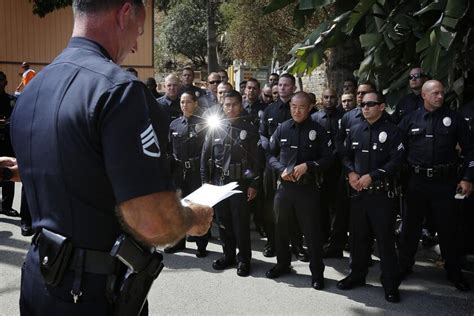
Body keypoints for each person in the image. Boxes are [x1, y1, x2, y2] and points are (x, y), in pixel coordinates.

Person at [10, 1, 213, 315]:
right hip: (89, 292)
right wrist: (193, 218)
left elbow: (74, 162)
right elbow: (151, 221)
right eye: (139, 32)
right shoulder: (118, 91)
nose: (134, 46)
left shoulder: (34, 88)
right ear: (124, 13)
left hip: (39, 280)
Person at [398, 80, 473, 292]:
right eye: (435, 93)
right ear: (424, 95)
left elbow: (471, 152)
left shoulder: (454, 119)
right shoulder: (410, 120)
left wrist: (468, 177)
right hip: (416, 182)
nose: (440, 96)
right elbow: (398, 150)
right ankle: (404, 266)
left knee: (448, 229)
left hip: (444, 183)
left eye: (442, 93)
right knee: (410, 228)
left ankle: (454, 272)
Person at [337, 91, 403, 303]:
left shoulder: (393, 131)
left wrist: (372, 177)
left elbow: (397, 161)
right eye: (363, 104)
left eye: (371, 104)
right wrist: (351, 172)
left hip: (382, 195)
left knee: (384, 241)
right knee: (357, 239)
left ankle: (391, 284)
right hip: (358, 194)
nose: (365, 108)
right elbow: (345, 155)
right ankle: (357, 275)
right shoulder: (356, 130)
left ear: (382, 107)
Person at [266, 92, 333, 290]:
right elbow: (270, 154)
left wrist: (309, 166)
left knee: (312, 232)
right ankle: (283, 264)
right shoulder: (282, 128)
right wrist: (280, 169)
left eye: (301, 107)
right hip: (285, 188)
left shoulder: (318, 131)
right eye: (293, 106)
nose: (296, 110)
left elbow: (328, 159)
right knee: (280, 227)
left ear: (310, 107)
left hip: (308, 189)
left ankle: (317, 273)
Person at [201, 90, 262, 277]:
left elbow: (257, 160)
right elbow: (206, 156)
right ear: (222, 106)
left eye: (234, 104)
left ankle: (244, 259)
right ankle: (228, 255)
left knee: (240, 223)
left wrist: (254, 184)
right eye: (227, 105)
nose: (230, 108)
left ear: (240, 105)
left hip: (239, 183)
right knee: (223, 222)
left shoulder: (249, 129)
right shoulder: (215, 127)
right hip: (219, 182)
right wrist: (205, 182)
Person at [259, 73, 307, 261]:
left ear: (293, 87)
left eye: (287, 85)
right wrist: (267, 146)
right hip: (272, 166)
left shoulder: (298, 109)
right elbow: (262, 133)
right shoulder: (269, 110)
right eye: (280, 85)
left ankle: (297, 245)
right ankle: (272, 243)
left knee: (294, 209)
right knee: (271, 207)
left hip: (293, 168)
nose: (283, 88)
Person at [165, 91, 210, 257]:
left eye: (188, 102)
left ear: (195, 103)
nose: (185, 105)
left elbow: (208, 151)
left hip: (196, 172)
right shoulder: (174, 125)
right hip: (178, 172)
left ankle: (201, 244)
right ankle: (178, 242)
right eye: (182, 102)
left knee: (198, 208)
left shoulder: (203, 124)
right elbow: (168, 148)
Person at [311, 88, 346, 258]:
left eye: (332, 97)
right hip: (321, 170)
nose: (329, 100)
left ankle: (337, 243)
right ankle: (323, 239)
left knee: (338, 208)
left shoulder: (344, 118)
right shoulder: (315, 118)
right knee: (321, 207)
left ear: (337, 98)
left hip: (340, 169)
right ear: (321, 99)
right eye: (326, 97)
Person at [0, 71, 18, 218]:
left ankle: (6, 206)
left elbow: (18, 118)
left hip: (7, 142)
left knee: (8, 173)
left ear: (6, 82)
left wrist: (7, 123)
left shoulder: (12, 100)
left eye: (1, 80)